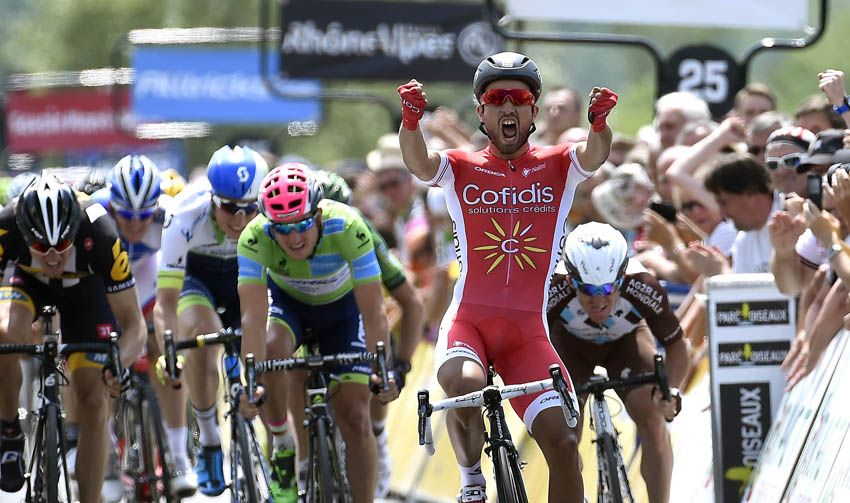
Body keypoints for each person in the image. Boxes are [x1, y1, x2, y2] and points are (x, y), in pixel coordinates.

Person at [397, 51, 617, 502]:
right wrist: (410, 122)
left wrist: (598, 124)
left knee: (564, 444)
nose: (508, 108)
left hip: (526, 333)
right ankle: (472, 480)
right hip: (469, 324)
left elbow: (594, 156)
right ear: (481, 112)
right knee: (465, 386)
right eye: (496, 99)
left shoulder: (558, 164)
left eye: (518, 98)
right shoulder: (461, 167)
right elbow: (420, 164)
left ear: (534, 110)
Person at [236, 164, 398, 503]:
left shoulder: (349, 226)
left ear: (318, 213)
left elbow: (373, 311)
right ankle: (282, 442)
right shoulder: (254, 237)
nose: (294, 237)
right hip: (289, 308)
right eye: (283, 229)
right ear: (269, 225)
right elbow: (252, 317)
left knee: (354, 416)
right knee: (271, 348)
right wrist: (249, 383)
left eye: (303, 224)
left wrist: (382, 369)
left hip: (342, 311)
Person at [0, 176, 146, 502]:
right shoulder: (6, 226)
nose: (52, 257)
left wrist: (118, 364)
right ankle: (9, 432)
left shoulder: (102, 234)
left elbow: (135, 326)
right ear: (24, 233)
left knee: (94, 402)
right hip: (27, 283)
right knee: (7, 332)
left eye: (62, 245)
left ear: (75, 233)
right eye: (40, 247)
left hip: (85, 295)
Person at [152, 145, 268, 496]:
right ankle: (210, 440)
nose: (239, 219)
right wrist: (169, 350)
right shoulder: (185, 212)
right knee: (202, 338)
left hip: (243, 275)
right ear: (213, 199)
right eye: (230, 208)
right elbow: (165, 304)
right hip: (196, 277)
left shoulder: (269, 217)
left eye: (249, 209)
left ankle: (279, 445)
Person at [548, 222, 687, 503]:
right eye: (587, 289)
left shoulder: (642, 284)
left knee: (652, 417)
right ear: (569, 280)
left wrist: (670, 391)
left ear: (622, 277)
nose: (599, 300)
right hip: (571, 348)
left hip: (626, 342)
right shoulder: (551, 290)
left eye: (609, 287)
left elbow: (677, 345)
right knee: (565, 436)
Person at [90, 155, 196, 497]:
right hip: (106, 285)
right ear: (112, 204)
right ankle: (106, 462)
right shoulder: (96, 213)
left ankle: (178, 455)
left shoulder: (170, 214)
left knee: (164, 352)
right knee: (100, 364)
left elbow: (178, 275)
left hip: (148, 278)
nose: (136, 224)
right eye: (127, 215)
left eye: (143, 215)